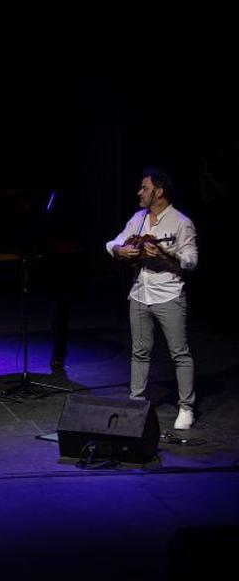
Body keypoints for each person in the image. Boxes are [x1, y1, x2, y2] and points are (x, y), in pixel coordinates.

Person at [106, 169, 198, 429]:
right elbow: (113, 242)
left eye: (144, 188)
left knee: (179, 353)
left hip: (168, 294)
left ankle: (186, 407)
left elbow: (191, 261)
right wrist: (120, 250)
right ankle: (136, 402)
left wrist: (166, 254)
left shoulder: (181, 222)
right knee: (139, 352)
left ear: (158, 191)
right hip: (139, 293)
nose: (139, 192)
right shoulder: (139, 218)